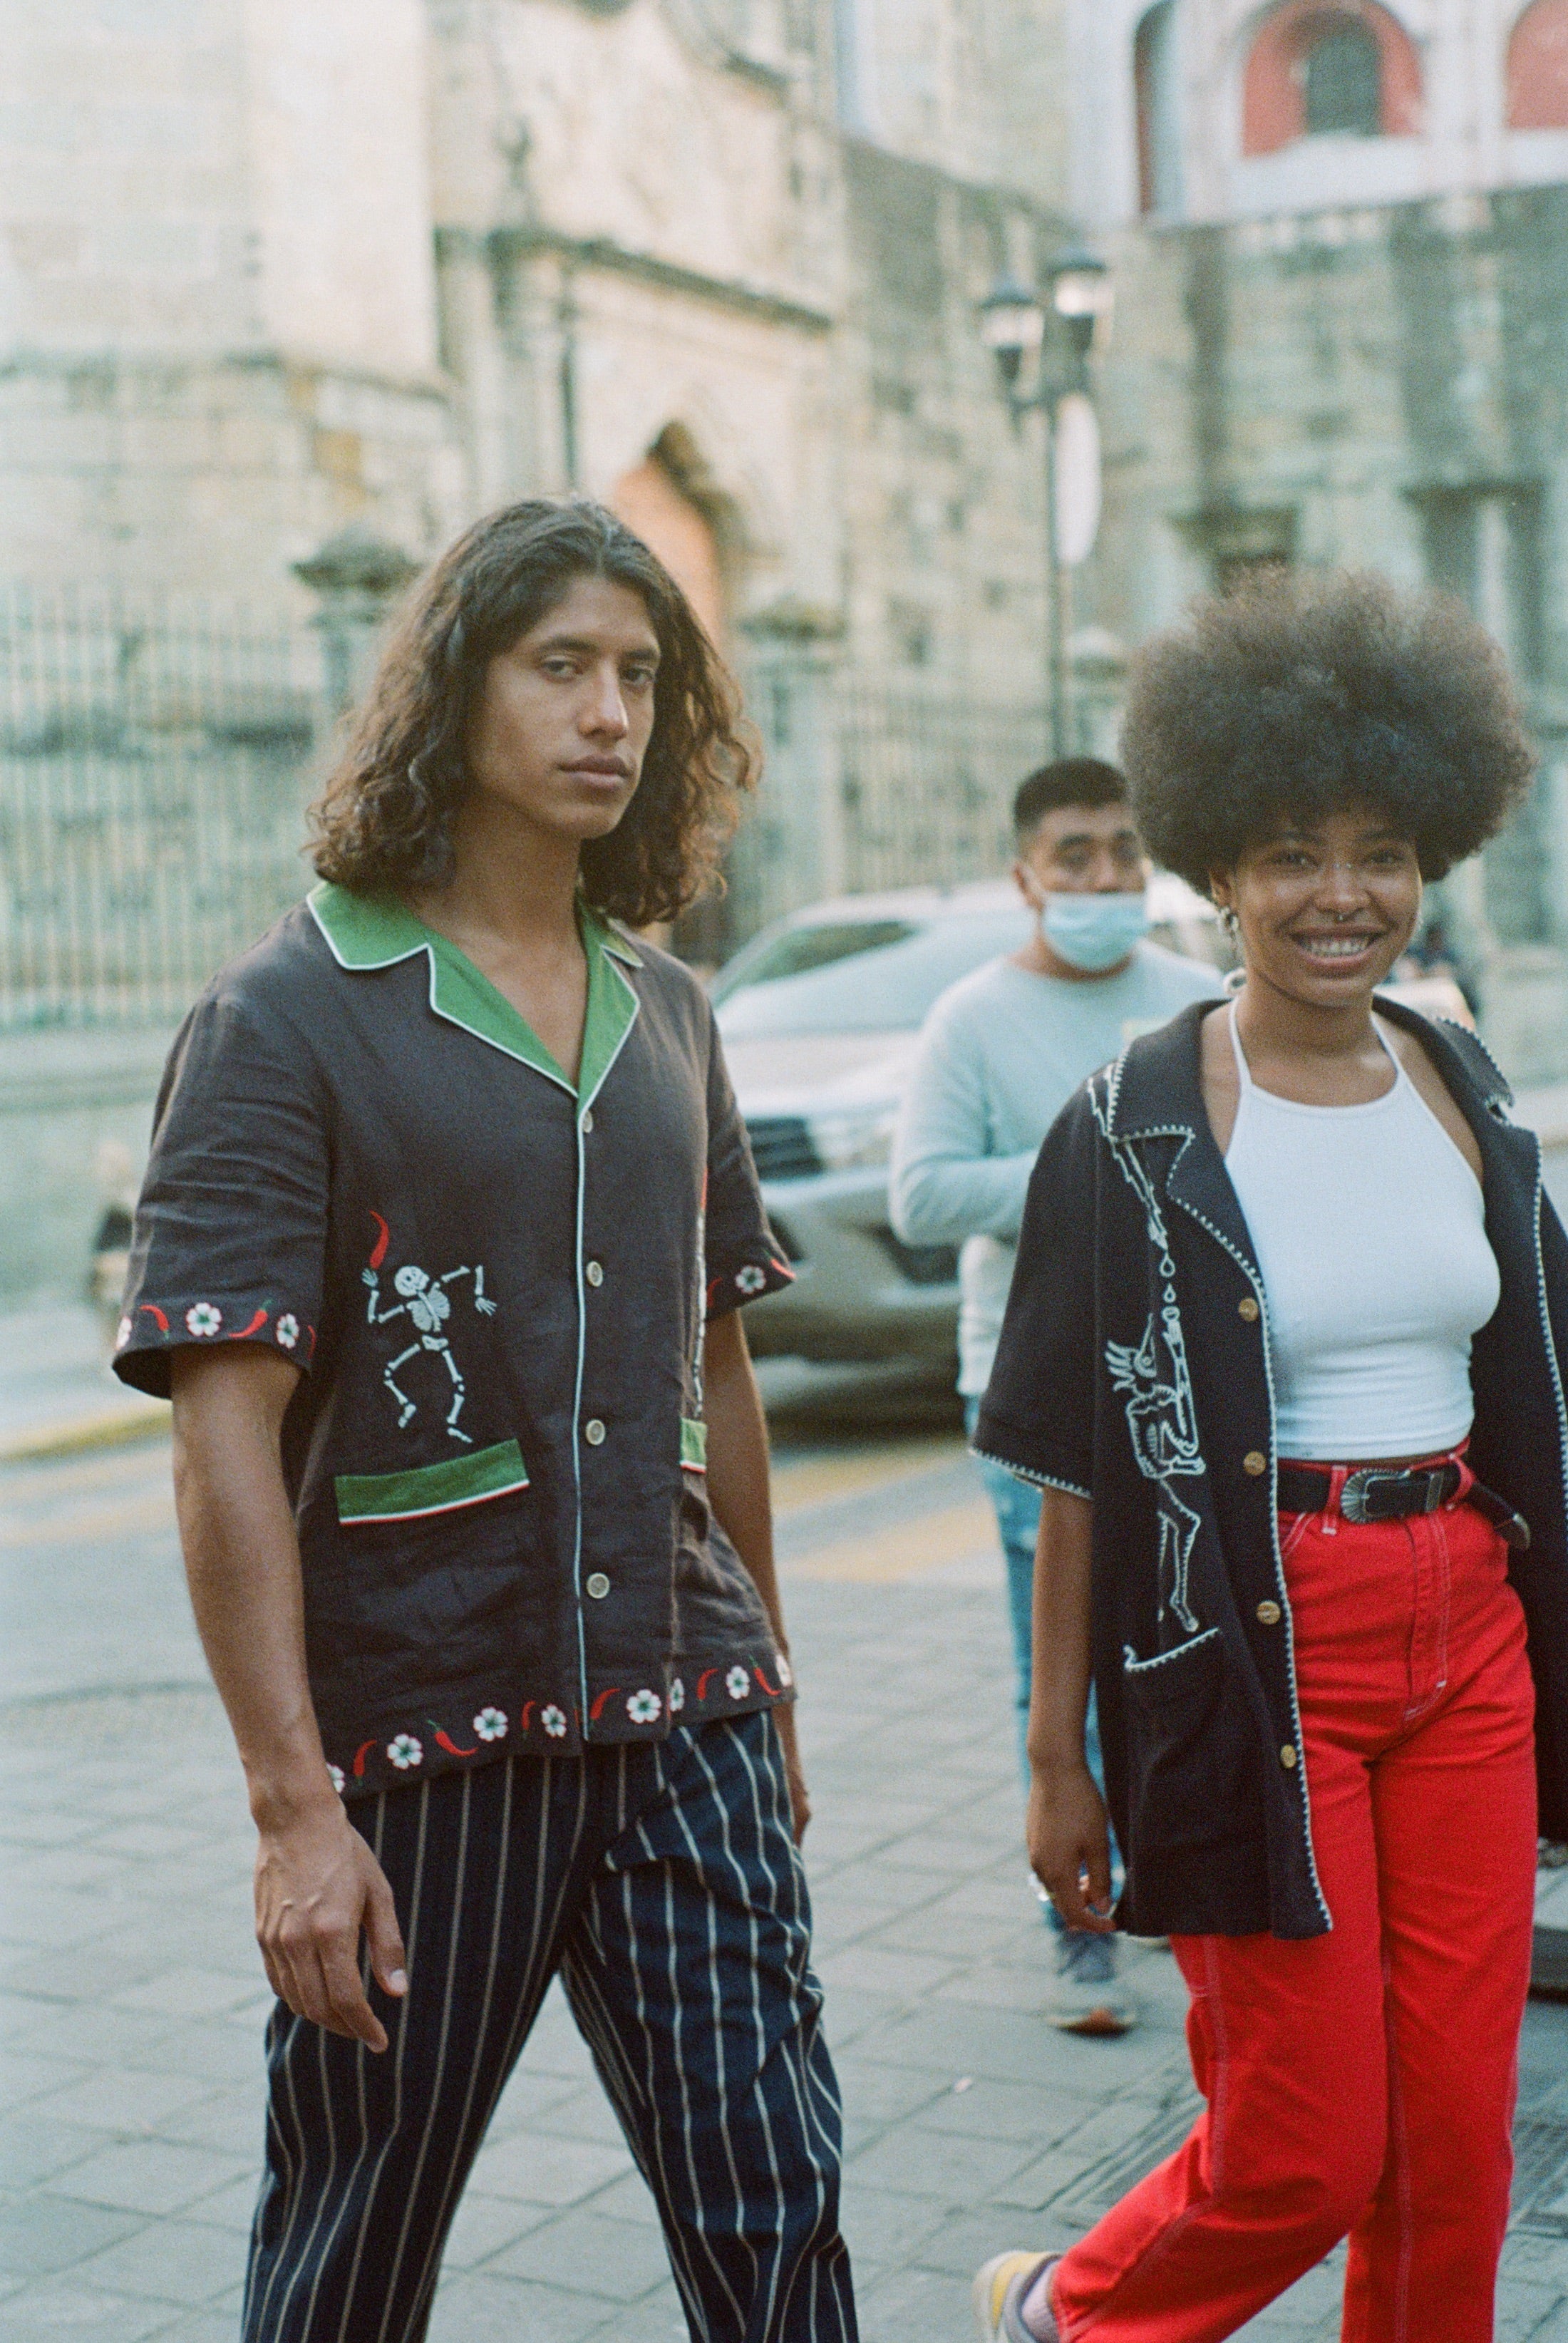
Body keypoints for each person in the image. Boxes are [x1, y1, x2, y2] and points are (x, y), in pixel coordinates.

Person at [113, 500, 857, 2343]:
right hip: (425, 1747)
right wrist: (295, 1812)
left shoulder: (672, 1011)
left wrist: (768, 1686)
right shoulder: (287, 1018)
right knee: (352, 2256)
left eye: (641, 676)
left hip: (687, 1715)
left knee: (779, 2214)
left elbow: (718, 1373)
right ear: (455, 689)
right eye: (560, 667)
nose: (609, 714)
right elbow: (221, 1439)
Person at [973, 570, 1568, 2343]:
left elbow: (1532, 1381)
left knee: (1451, 2151)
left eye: (1378, 852)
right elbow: (1071, 1470)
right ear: (1217, 868)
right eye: (1292, 854)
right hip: (1254, 1652)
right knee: (1305, 2149)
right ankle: (1069, 2314)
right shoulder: (1131, 1128)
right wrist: (1057, 1760)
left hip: (1464, 1636)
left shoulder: (1460, 1082)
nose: (1339, 895)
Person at [889, 759, 1221, 2034]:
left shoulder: (1198, 1000)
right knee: (1061, 1669)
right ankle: (1080, 1928)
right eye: (1075, 854)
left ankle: (1183, 1894)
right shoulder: (972, 1017)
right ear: (1026, 875)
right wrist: (1087, 1166)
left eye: (1125, 852)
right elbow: (923, 1195)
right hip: (1037, 1395)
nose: (1103, 876)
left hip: (1190, 1393)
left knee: (1191, 1648)